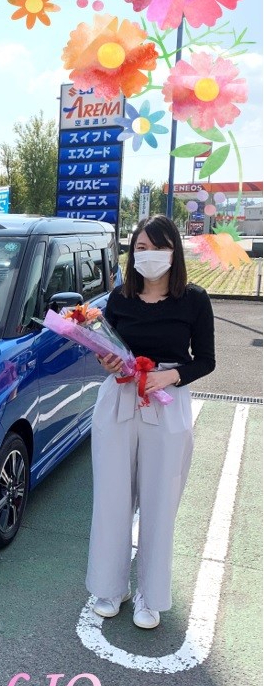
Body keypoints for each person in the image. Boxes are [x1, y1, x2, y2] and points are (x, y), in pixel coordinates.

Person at [86, 215, 215, 629]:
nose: (148, 255)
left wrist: (170, 375)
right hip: (118, 401)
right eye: (140, 248)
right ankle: (111, 586)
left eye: (158, 247)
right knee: (112, 497)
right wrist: (106, 361)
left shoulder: (194, 300)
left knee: (160, 501)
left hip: (166, 402)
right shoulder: (119, 298)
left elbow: (206, 360)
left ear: (174, 252)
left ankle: (150, 593)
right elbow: (106, 348)